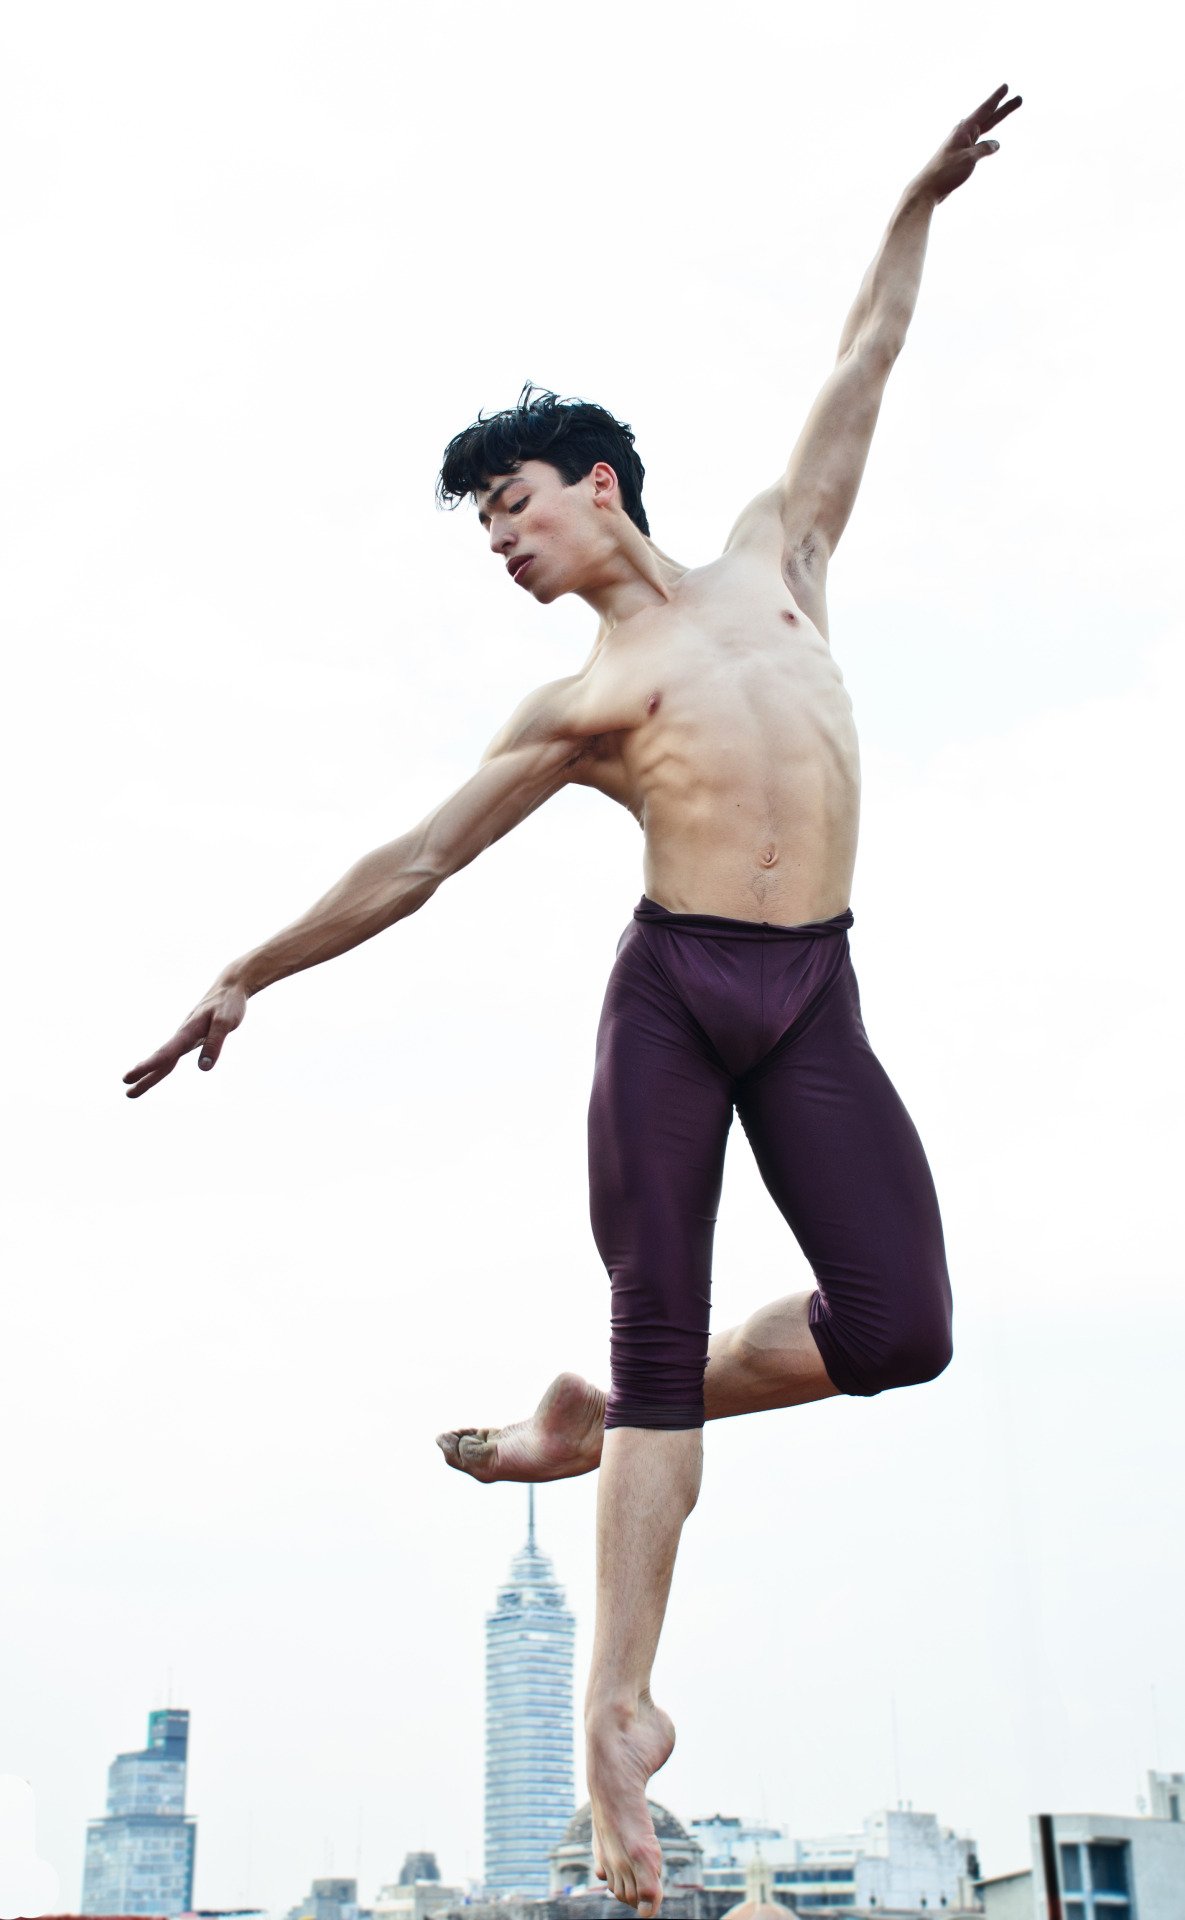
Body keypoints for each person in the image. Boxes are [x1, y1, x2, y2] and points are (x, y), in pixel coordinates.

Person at [125, 85, 1022, 1918]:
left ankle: (585, 1410)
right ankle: (618, 1715)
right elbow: (413, 861)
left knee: (905, 1328)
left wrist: (914, 201)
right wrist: (244, 970)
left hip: (814, 992)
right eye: (482, 526)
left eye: (510, 504)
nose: (499, 540)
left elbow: (865, 357)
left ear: (597, 481)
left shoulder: (779, 561)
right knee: (668, 1329)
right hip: (676, 1001)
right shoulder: (580, 703)